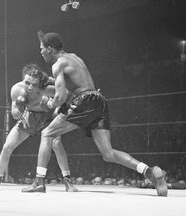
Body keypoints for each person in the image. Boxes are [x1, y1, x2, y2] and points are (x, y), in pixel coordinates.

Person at [22, 31, 168, 196]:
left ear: (50, 48)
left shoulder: (58, 65)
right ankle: (150, 171)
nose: (40, 52)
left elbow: (61, 96)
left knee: (47, 133)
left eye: (42, 48)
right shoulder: (74, 57)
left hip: (85, 100)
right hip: (99, 100)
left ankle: (39, 181)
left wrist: (49, 103)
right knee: (108, 153)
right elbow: (69, 90)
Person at [0, 63, 78, 192]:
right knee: (7, 146)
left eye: (34, 84)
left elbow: (65, 94)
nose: (30, 87)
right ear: (23, 78)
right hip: (29, 116)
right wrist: (21, 107)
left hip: (47, 117)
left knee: (57, 144)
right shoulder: (16, 90)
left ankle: (67, 180)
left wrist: (53, 105)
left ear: (40, 83)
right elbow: (15, 115)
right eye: (27, 83)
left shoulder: (47, 87)